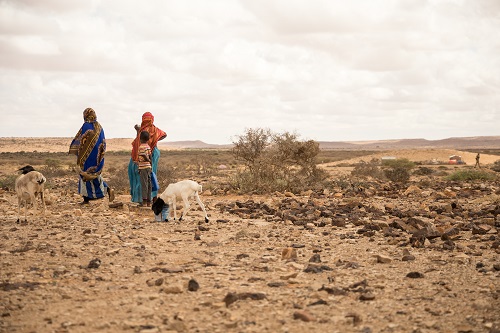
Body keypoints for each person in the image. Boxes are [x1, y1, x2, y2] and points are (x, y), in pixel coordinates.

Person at [69, 107, 115, 204]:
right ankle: (107, 189)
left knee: (84, 176)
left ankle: (87, 198)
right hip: (97, 157)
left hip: (86, 158)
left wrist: (80, 153)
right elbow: (103, 142)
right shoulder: (99, 127)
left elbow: (81, 140)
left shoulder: (86, 126)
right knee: (95, 176)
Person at [128, 112, 166, 204]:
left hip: (142, 158)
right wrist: (155, 140)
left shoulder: (142, 131)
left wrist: (138, 131)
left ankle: (141, 199)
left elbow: (138, 145)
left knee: (139, 176)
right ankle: (153, 197)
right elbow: (164, 134)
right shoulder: (155, 130)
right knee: (152, 175)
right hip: (153, 154)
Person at [138, 131, 152, 206]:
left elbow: (143, 155)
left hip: (143, 167)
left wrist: (147, 160)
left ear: (140, 139)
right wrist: (151, 164)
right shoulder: (148, 147)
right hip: (148, 167)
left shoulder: (141, 147)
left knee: (144, 184)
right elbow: (150, 156)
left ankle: (144, 202)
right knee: (149, 184)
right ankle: (149, 202)